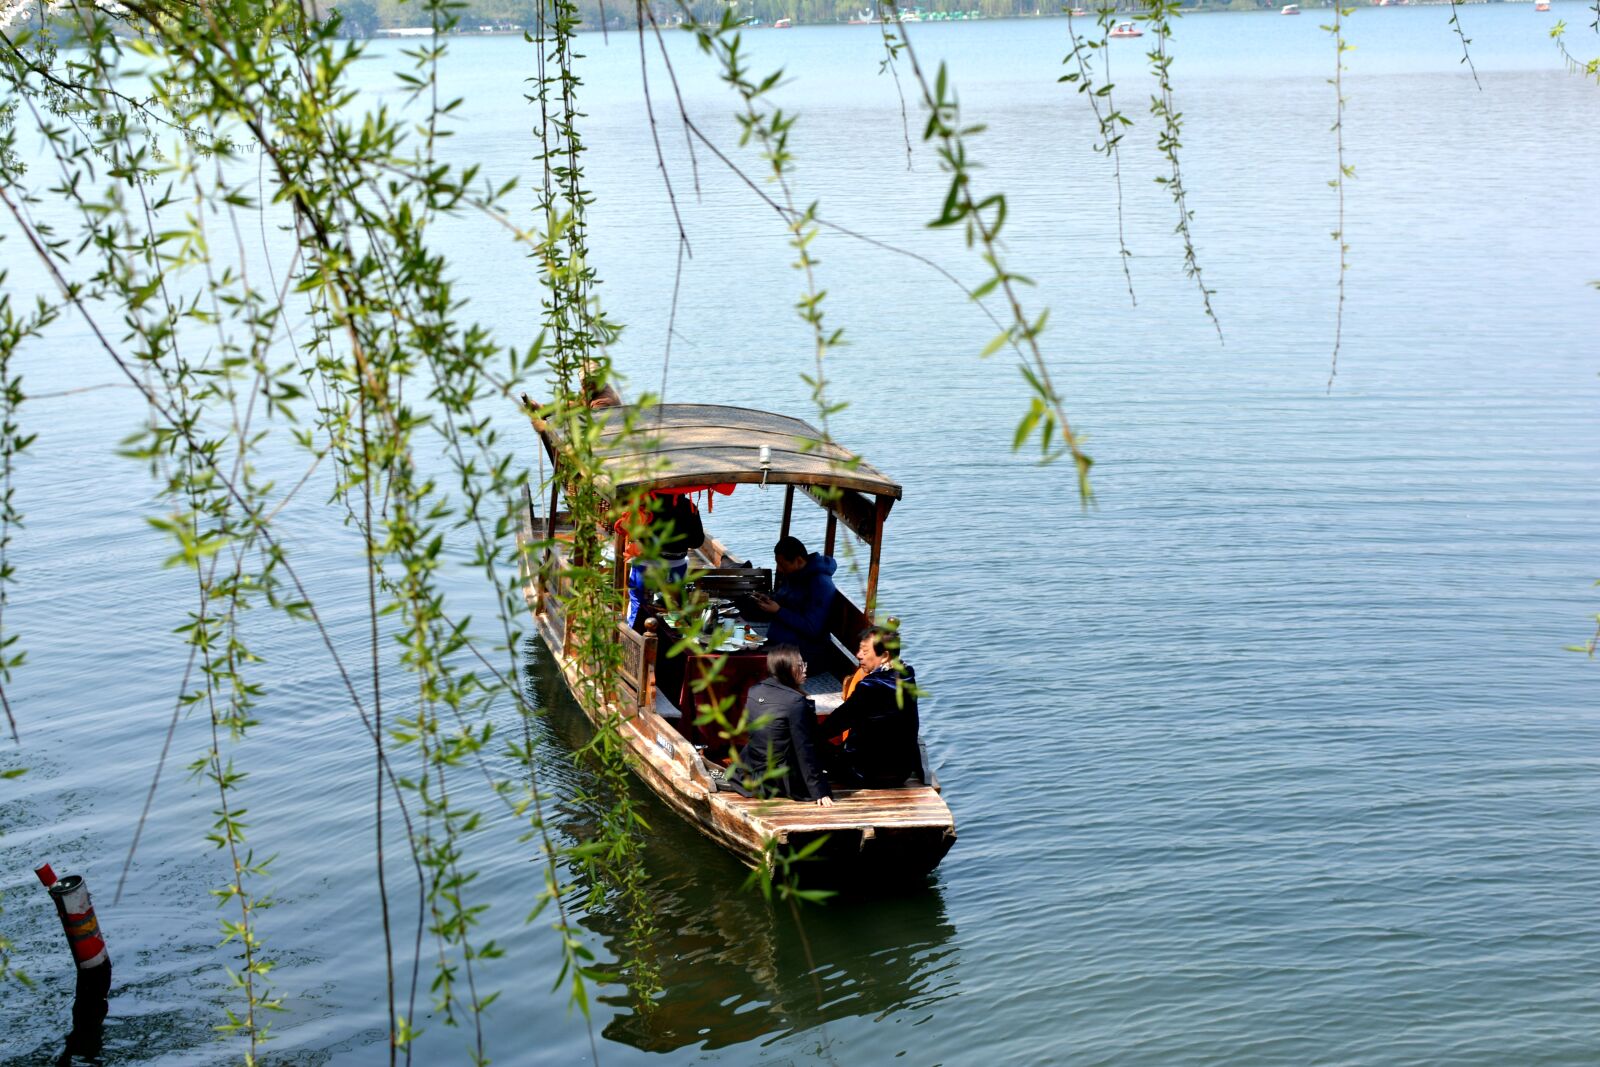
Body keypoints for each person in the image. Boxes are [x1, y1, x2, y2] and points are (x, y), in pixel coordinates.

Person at [731, 646, 834, 806]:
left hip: (751, 770)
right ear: (786, 668)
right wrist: (819, 791)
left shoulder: (755, 690)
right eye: (800, 665)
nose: (805, 669)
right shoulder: (795, 702)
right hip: (778, 779)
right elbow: (804, 749)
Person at [820, 628, 922, 788]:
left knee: (810, 744)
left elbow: (837, 722)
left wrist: (810, 737)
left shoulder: (872, 686)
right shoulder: (907, 674)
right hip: (902, 771)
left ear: (885, 656)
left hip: (869, 774)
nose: (858, 655)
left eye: (865, 651)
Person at [748, 536, 837, 666]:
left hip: (806, 654)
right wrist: (769, 600)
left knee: (750, 664)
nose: (779, 569)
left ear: (799, 560)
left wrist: (778, 611)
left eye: (782, 565)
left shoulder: (820, 585)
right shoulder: (794, 575)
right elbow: (786, 600)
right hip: (782, 643)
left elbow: (812, 628)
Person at [621, 490, 704, 627]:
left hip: (646, 566)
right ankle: (668, 642)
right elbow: (697, 541)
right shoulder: (689, 507)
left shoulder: (645, 505)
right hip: (677, 566)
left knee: (639, 606)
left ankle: (635, 640)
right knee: (672, 610)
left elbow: (631, 531)